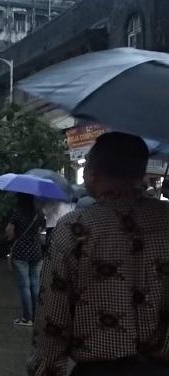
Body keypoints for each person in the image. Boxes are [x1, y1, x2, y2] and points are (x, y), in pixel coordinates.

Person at [29, 132, 169, 376]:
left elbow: (53, 315)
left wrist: (47, 367)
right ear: (140, 174)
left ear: (92, 174)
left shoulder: (75, 228)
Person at [5, 193, 45, 327]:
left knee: (24, 286)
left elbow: (9, 233)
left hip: (21, 252)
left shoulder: (17, 213)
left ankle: (26, 318)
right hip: (36, 252)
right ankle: (36, 317)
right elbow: (39, 233)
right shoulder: (39, 213)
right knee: (35, 284)